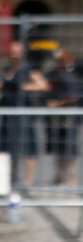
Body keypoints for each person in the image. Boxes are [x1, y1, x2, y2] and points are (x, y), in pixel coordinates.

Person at [0, 41, 49, 186]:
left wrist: (24, 87)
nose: (15, 54)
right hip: (8, 113)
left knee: (28, 147)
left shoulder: (28, 69)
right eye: (13, 51)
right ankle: (11, 180)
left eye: (17, 51)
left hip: (23, 114)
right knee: (8, 148)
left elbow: (43, 85)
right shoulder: (7, 68)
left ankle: (27, 181)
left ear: (22, 52)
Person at [45, 48, 80, 186]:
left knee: (70, 148)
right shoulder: (54, 75)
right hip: (58, 118)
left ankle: (70, 177)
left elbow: (73, 97)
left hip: (69, 118)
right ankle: (59, 176)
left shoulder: (69, 76)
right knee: (58, 147)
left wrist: (58, 102)